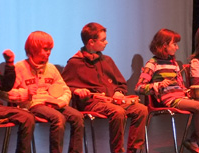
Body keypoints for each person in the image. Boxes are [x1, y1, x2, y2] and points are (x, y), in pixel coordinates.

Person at [61, 22, 150, 153]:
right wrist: (77, 91)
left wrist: (119, 92)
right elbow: (64, 87)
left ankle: (134, 150)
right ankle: (117, 151)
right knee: (118, 112)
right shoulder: (75, 62)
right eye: (103, 40)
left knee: (141, 109)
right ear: (91, 42)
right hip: (92, 103)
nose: (106, 42)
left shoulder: (107, 60)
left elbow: (120, 83)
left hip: (112, 101)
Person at [135, 29, 199, 153]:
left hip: (181, 96)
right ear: (164, 45)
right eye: (174, 44)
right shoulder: (152, 64)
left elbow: (180, 86)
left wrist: (187, 91)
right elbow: (139, 88)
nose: (177, 47)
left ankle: (192, 139)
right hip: (170, 99)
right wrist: (157, 85)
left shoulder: (174, 63)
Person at [8, 31, 84, 153]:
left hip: (53, 103)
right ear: (33, 49)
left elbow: (65, 89)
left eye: (50, 49)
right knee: (58, 119)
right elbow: (6, 92)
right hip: (33, 104)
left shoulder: (51, 68)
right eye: (45, 49)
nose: (48, 52)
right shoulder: (20, 67)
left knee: (78, 117)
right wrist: (25, 93)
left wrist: (61, 101)